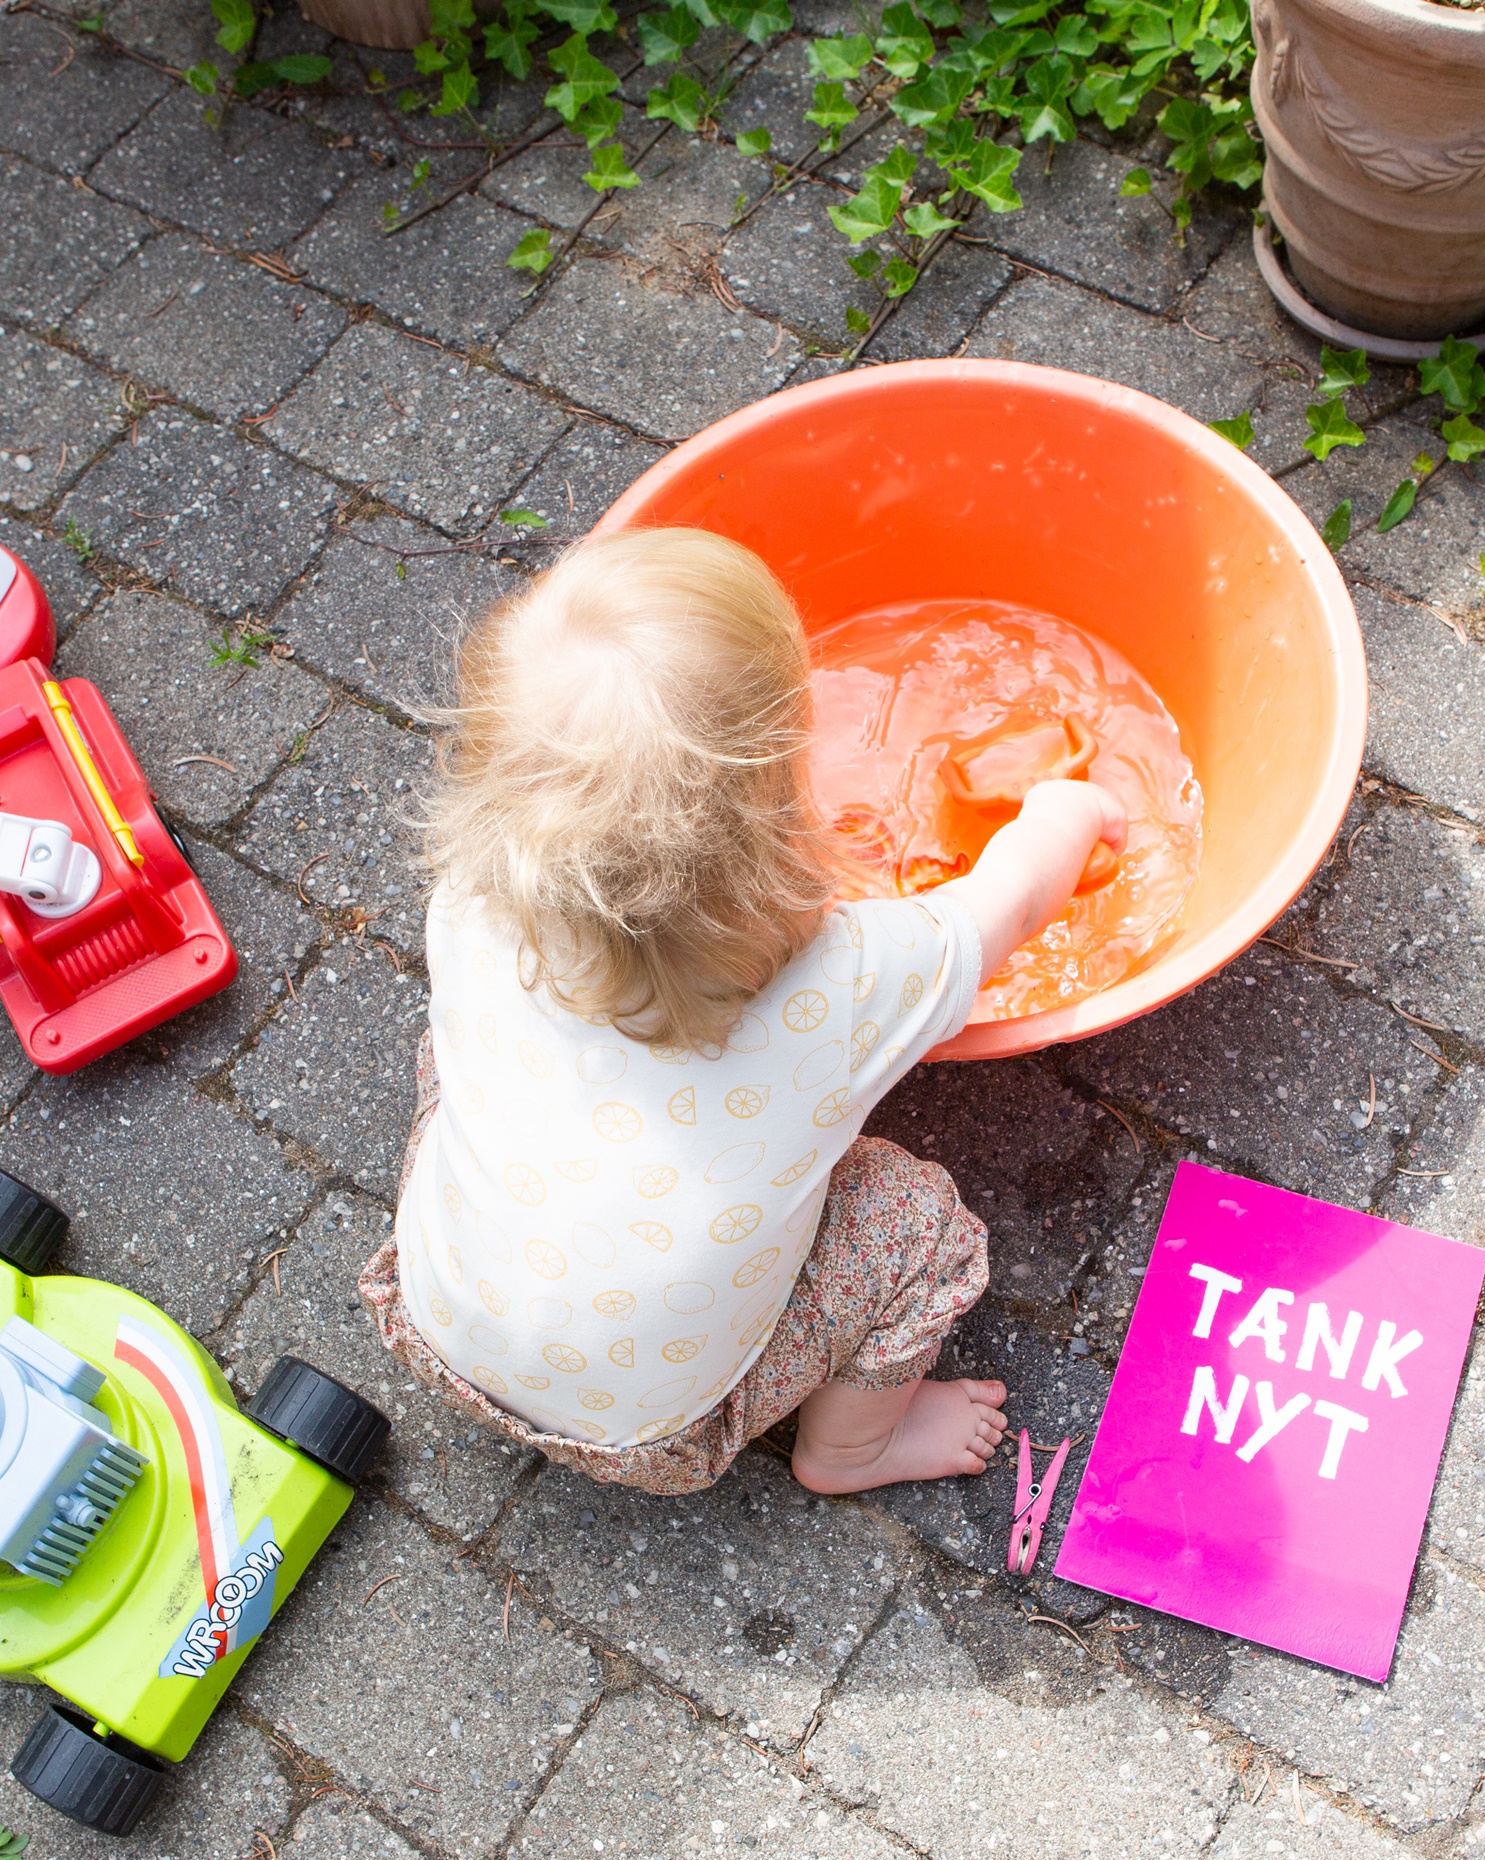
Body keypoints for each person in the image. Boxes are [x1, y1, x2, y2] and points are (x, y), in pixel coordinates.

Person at [358, 527, 1125, 1496]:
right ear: (776, 822)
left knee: (459, 1050)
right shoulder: (847, 982)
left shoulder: (470, 901)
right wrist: (1071, 811)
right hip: (649, 1429)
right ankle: (852, 1448)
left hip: (439, 1323)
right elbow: (1009, 904)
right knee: (921, 1224)